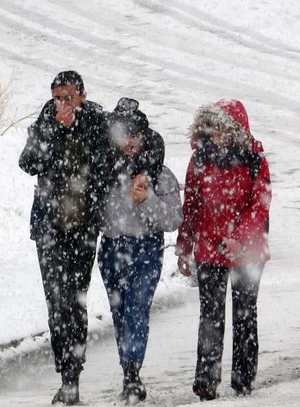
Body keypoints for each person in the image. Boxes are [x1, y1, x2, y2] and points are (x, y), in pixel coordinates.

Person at [18, 71, 110, 405]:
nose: (62, 103)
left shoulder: (98, 122)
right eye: (57, 97)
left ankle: (73, 374)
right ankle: (65, 371)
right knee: (56, 304)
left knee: (75, 301)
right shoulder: (46, 121)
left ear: (82, 96)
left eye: (68, 97)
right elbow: (28, 162)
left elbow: (110, 168)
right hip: (49, 229)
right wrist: (55, 128)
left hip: (83, 228)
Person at [175, 99, 271, 401]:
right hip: (208, 247)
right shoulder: (200, 158)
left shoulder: (254, 158)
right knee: (210, 315)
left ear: (235, 130)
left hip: (247, 250)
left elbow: (260, 204)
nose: (216, 134)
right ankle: (205, 380)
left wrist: (240, 238)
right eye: (212, 128)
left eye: (222, 128)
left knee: (245, 314)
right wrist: (184, 246)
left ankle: (243, 378)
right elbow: (190, 204)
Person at [97, 98, 182, 403]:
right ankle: (127, 368)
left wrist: (148, 200)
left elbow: (174, 218)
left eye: (135, 135)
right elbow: (94, 212)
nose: (129, 142)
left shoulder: (159, 173)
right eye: (123, 135)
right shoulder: (104, 169)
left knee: (137, 310)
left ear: (144, 136)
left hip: (147, 247)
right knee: (120, 312)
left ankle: (133, 373)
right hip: (110, 247)